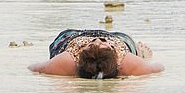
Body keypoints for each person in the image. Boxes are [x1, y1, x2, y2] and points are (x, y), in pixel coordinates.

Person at [28, 29, 164, 78]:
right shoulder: (127, 62)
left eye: (92, 45)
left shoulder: (66, 62)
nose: (97, 39)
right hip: (118, 39)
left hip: (73, 36)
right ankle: (138, 52)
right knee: (126, 40)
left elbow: (34, 67)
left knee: (63, 35)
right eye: (100, 43)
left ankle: (138, 51)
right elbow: (158, 67)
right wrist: (143, 64)